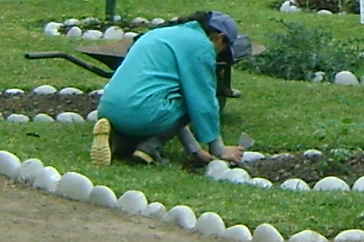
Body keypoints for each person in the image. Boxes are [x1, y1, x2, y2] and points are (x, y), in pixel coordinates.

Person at [90, 11, 252, 167]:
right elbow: (201, 100)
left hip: (108, 107)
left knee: (165, 100)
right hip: (142, 111)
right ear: (220, 38)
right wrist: (219, 149)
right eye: (223, 50)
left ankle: (119, 143)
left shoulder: (162, 33)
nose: (219, 54)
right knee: (191, 97)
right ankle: (149, 147)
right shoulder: (201, 45)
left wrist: (195, 150)